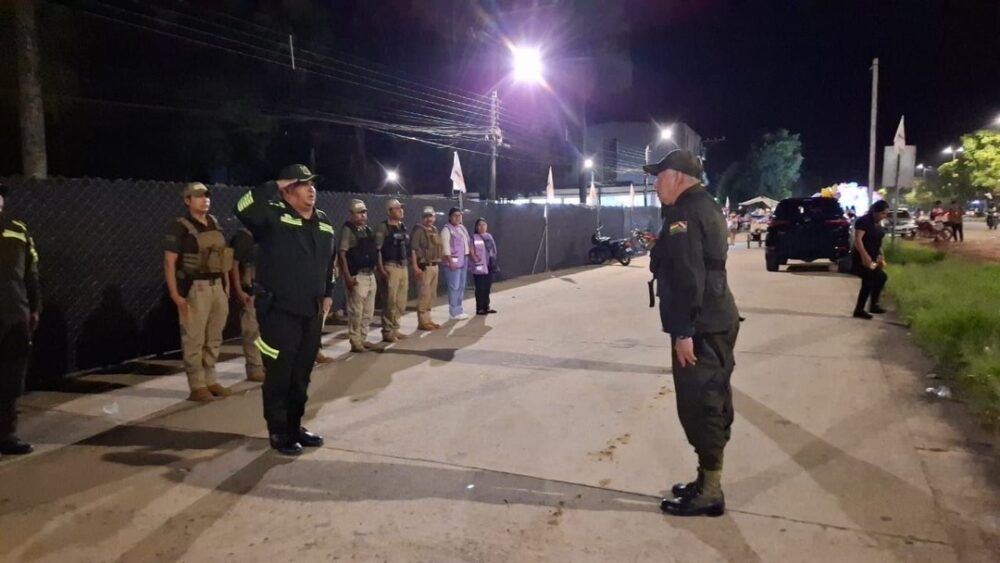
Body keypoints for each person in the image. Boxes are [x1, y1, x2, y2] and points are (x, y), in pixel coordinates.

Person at [644, 150, 741, 517]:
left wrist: (683, 331)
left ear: (679, 177)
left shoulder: (684, 213)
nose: (654, 184)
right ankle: (705, 480)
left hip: (700, 325)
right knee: (712, 397)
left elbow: (687, 275)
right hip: (714, 317)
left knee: (702, 403)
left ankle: (710, 492)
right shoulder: (705, 205)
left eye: (659, 176)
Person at [235, 164, 335, 456]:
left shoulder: (324, 221)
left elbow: (328, 264)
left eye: (312, 184)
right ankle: (278, 431)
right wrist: (275, 184)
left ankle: (294, 426)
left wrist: (329, 293)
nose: (311, 189)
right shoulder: (271, 215)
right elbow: (242, 207)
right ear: (288, 190)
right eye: (303, 184)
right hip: (279, 311)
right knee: (279, 373)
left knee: (301, 374)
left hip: (312, 311)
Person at [164, 182, 233, 402]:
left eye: (206, 195)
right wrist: (175, 295)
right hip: (196, 288)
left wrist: (226, 283)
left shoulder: (213, 222)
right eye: (198, 196)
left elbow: (221, 257)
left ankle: (210, 380)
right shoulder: (180, 227)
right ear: (187, 201)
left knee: (214, 336)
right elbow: (169, 262)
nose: (205, 199)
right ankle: (197, 385)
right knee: (194, 338)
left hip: (216, 286)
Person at [0, 182, 41, 456]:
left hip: (14, 316)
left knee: (11, 380)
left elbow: (31, 272)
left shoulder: (18, 229)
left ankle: (6, 436)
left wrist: (34, 308)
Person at [338, 199, 379, 353]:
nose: (363, 215)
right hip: (357, 276)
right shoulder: (347, 230)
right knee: (356, 312)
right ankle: (355, 341)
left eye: (364, 212)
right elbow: (342, 254)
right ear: (351, 214)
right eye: (359, 212)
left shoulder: (367, 230)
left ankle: (363, 338)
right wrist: (348, 277)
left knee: (368, 311)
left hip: (369, 275)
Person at [375, 199, 415, 343]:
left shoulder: (402, 226)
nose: (400, 210)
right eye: (397, 208)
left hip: (402, 267)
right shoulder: (383, 228)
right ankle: (387, 331)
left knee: (401, 301)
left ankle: (396, 328)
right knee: (389, 301)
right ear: (389, 211)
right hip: (390, 267)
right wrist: (381, 269)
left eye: (401, 208)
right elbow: (378, 250)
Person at [852, 200, 890, 320]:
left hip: (873, 257)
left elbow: (878, 242)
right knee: (868, 280)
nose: (885, 216)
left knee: (881, 277)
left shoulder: (878, 223)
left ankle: (873, 305)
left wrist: (881, 255)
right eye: (883, 213)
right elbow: (858, 240)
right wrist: (865, 256)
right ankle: (859, 309)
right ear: (875, 212)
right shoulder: (864, 221)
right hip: (862, 258)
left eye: (886, 214)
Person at [410, 206, 443, 330]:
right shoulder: (418, 230)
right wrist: (415, 266)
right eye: (426, 217)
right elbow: (413, 249)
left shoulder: (434, 229)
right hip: (424, 266)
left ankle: (428, 319)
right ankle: (422, 321)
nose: (429, 219)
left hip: (434, 265)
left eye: (431, 216)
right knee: (424, 294)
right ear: (422, 218)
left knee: (431, 294)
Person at [440, 207, 472, 320]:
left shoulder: (462, 228)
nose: (458, 217)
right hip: (452, 262)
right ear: (450, 217)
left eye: (460, 215)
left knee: (461, 286)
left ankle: (459, 309)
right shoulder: (446, 230)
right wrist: (449, 261)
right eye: (455, 215)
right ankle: (453, 312)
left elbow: (467, 242)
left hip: (464, 260)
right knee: (454, 286)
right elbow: (445, 247)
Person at [469, 217, 498, 315]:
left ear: (487, 226)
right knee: (480, 287)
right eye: (479, 225)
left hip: (489, 265)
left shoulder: (489, 236)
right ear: (476, 227)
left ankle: (486, 307)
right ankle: (480, 308)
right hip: (479, 266)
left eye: (484, 225)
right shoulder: (473, 237)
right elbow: (470, 250)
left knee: (487, 287)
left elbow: (493, 249)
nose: (482, 227)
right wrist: (474, 258)